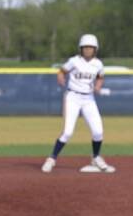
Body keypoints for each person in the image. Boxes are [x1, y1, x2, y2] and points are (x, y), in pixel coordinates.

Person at [41, 34, 115, 174]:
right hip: (72, 97)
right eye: (85, 47)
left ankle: (96, 157)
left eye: (91, 48)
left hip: (89, 99)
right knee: (68, 132)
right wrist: (61, 78)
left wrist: (98, 86)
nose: (88, 50)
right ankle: (51, 159)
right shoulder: (74, 61)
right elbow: (62, 71)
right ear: (81, 49)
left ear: (95, 49)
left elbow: (100, 77)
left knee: (98, 131)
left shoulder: (98, 64)